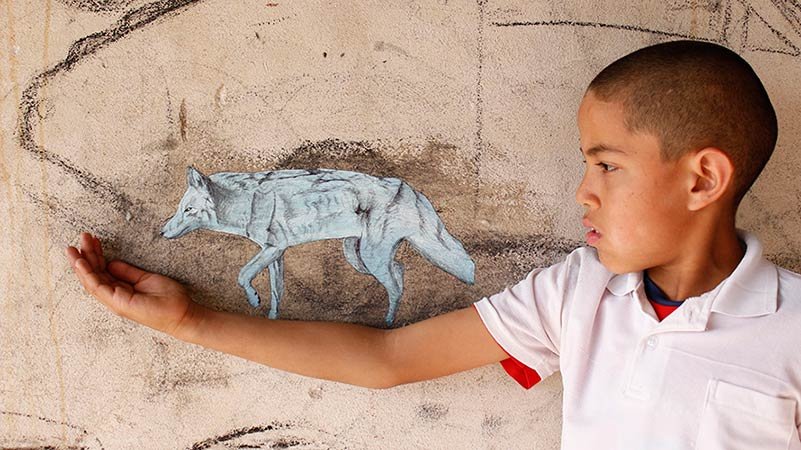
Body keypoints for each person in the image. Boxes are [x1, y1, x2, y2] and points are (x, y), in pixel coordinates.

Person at [65, 39, 801, 448]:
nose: (583, 191)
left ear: (702, 178)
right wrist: (190, 321)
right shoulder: (576, 293)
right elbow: (387, 359)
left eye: (606, 165)